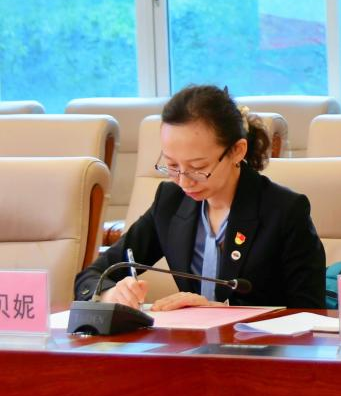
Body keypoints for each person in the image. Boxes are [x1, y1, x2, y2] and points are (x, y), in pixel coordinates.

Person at [75, 85, 326, 310]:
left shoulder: (285, 211)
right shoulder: (170, 201)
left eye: (198, 167)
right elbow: (91, 277)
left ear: (237, 151)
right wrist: (109, 293)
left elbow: (310, 312)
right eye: (172, 165)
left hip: (259, 345)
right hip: (188, 343)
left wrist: (220, 311)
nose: (184, 182)